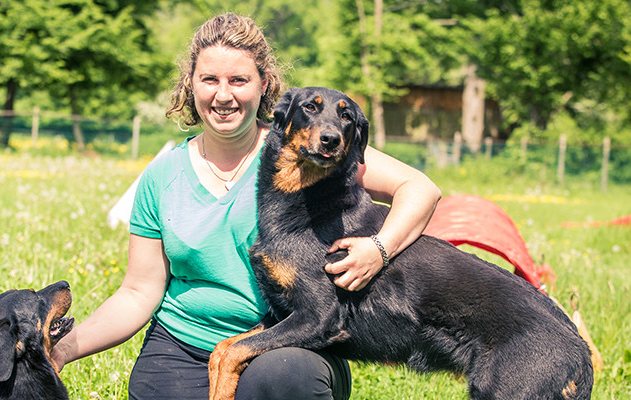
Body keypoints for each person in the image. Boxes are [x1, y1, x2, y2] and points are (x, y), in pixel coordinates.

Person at [51, 13, 441, 400]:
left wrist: (379, 248)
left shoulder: (303, 150)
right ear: (191, 84)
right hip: (182, 344)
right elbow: (138, 292)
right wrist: (64, 349)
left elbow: (419, 188)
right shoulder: (162, 175)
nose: (223, 95)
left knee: (286, 378)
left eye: (238, 80)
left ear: (263, 84)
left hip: (287, 342)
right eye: (210, 80)